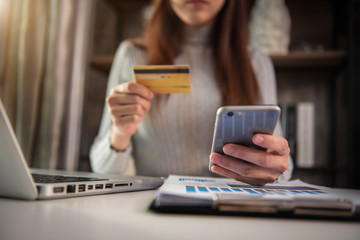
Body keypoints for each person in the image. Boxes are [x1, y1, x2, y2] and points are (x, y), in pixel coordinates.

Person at [90, 0, 293, 185]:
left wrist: (274, 166)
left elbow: (283, 169)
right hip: (152, 208)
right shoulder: (131, 54)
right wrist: (120, 132)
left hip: (229, 207)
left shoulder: (256, 62)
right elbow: (102, 169)